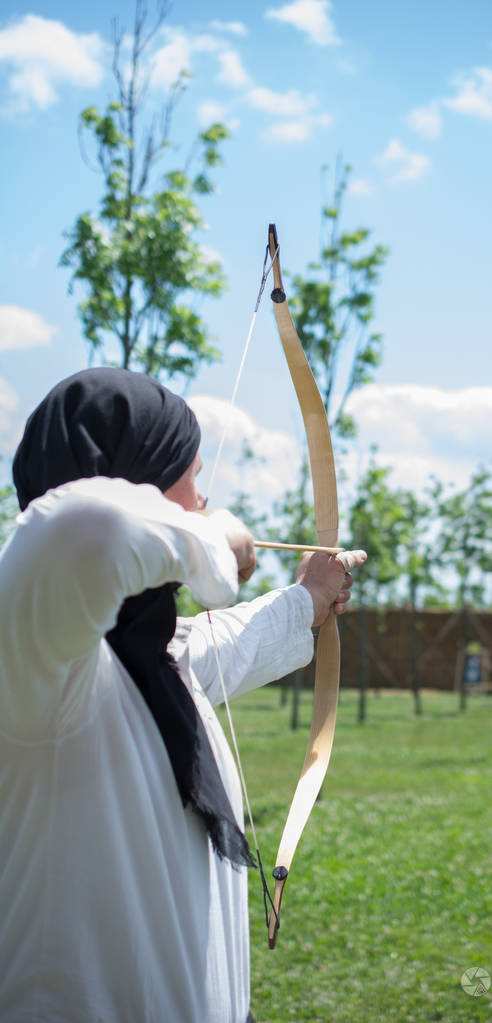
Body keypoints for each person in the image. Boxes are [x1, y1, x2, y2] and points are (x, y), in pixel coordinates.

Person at [0, 367, 364, 1023]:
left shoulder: (150, 657)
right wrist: (208, 541)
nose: (203, 496)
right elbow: (76, 530)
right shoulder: (36, 663)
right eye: (192, 474)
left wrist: (310, 597)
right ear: (142, 482)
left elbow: (230, 637)